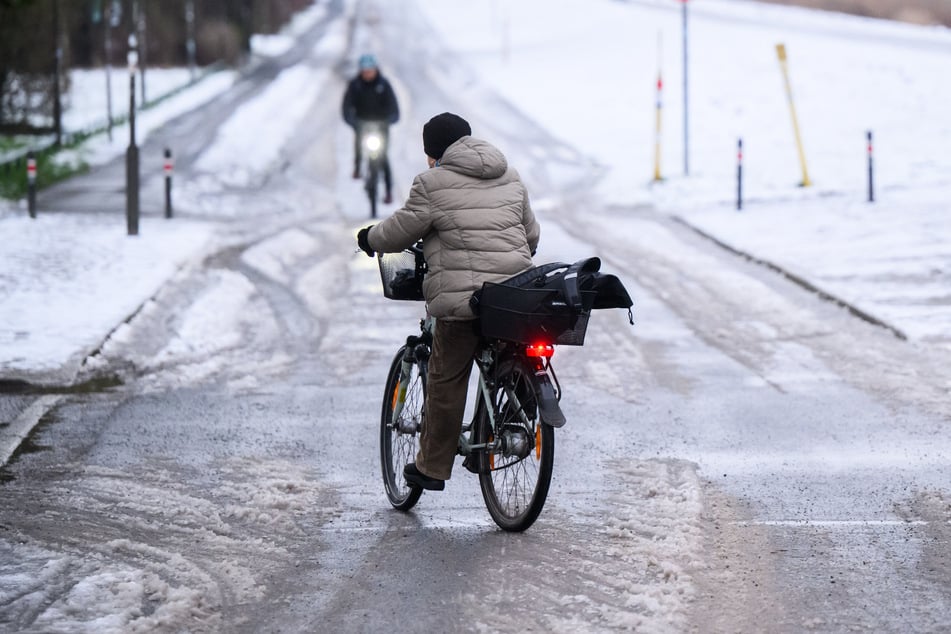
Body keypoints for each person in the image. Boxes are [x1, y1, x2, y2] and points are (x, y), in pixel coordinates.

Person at [356, 112, 540, 491]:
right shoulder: (510, 175)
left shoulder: (431, 183)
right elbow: (531, 235)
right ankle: (512, 418)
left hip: (465, 302)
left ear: (433, 153)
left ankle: (432, 467)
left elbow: (399, 231)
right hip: (514, 297)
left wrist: (369, 238)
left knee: (446, 376)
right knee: (509, 349)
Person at [342, 53, 400, 204]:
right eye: (365, 71)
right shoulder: (355, 85)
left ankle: (388, 191)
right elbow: (346, 107)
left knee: (383, 157)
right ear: (361, 71)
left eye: (370, 70)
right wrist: (352, 121)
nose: (368, 74)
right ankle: (357, 168)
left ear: (375, 69)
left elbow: (394, 106)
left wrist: (391, 119)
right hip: (362, 124)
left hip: (381, 125)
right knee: (358, 146)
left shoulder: (384, 84)